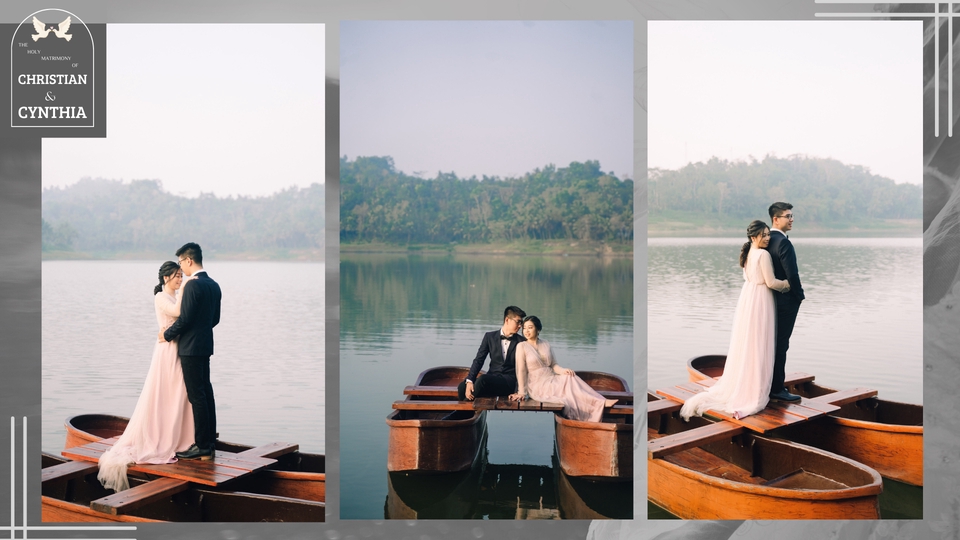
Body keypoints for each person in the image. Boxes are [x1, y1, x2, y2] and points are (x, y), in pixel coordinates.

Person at [97, 262, 196, 491]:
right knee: (165, 392)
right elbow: (177, 313)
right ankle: (161, 437)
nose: (181, 278)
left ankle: (181, 438)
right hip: (167, 351)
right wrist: (187, 288)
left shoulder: (176, 294)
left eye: (182, 275)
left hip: (178, 348)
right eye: (177, 276)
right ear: (166, 278)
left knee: (180, 393)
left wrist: (184, 290)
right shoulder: (161, 297)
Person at [680, 220, 790, 421]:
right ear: (753, 237)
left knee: (749, 343)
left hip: (748, 299)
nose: (767, 238)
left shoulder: (748, 253)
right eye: (763, 235)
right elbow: (771, 282)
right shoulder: (763, 254)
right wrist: (788, 285)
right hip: (761, 301)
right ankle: (754, 390)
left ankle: (748, 382)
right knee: (758, 344)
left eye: (768, 234)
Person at [160, 242, 222, 460]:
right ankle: (209, 442)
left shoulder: (193, 285)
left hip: (190, 348)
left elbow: (185, 319)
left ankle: (202, 445)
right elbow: (215, 319)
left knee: (197, 397)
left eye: (180, 263)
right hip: (205, 345)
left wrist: (166, 335)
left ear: (188, 260)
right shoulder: (214, 285)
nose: (181, 269)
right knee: (206, 393)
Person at [508, 316, 616, 422]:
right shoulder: (522, 346)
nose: (526, 331)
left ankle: (599, 402)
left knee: (569, 377)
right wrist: (521, 392)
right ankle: (599, 403)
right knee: (566, 395)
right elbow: (521, 370)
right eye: (524, 328)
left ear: (538, 329)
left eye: (530, 327)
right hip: (537, 385)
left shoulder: (545, 343)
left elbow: (553, 365)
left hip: (551, 378)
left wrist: (563, 371)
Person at [767, 202, 805, 403]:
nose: (791, 220)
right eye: (787, 216)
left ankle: (770, 383)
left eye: (792, 216)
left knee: (772, 343)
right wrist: (799, 296)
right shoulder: (783, 243)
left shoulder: (766, 240)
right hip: (786, 302)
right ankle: (777, 388)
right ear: (776, 219)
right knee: (781, 344)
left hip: (770, 300)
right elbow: (792, 274)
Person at [458, 306, 526, 401]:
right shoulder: (489, 337)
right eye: (518, 322)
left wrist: (518, 391)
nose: (520, 326)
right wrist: (470, 381)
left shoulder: (522, 342)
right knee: (462, 386)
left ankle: (458, 412)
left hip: (508, 383)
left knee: (483, 379)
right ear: (507, 320)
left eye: (521, 323)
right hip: (492, 379)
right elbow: (479, 360)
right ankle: (468, 414)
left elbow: (523, 369)